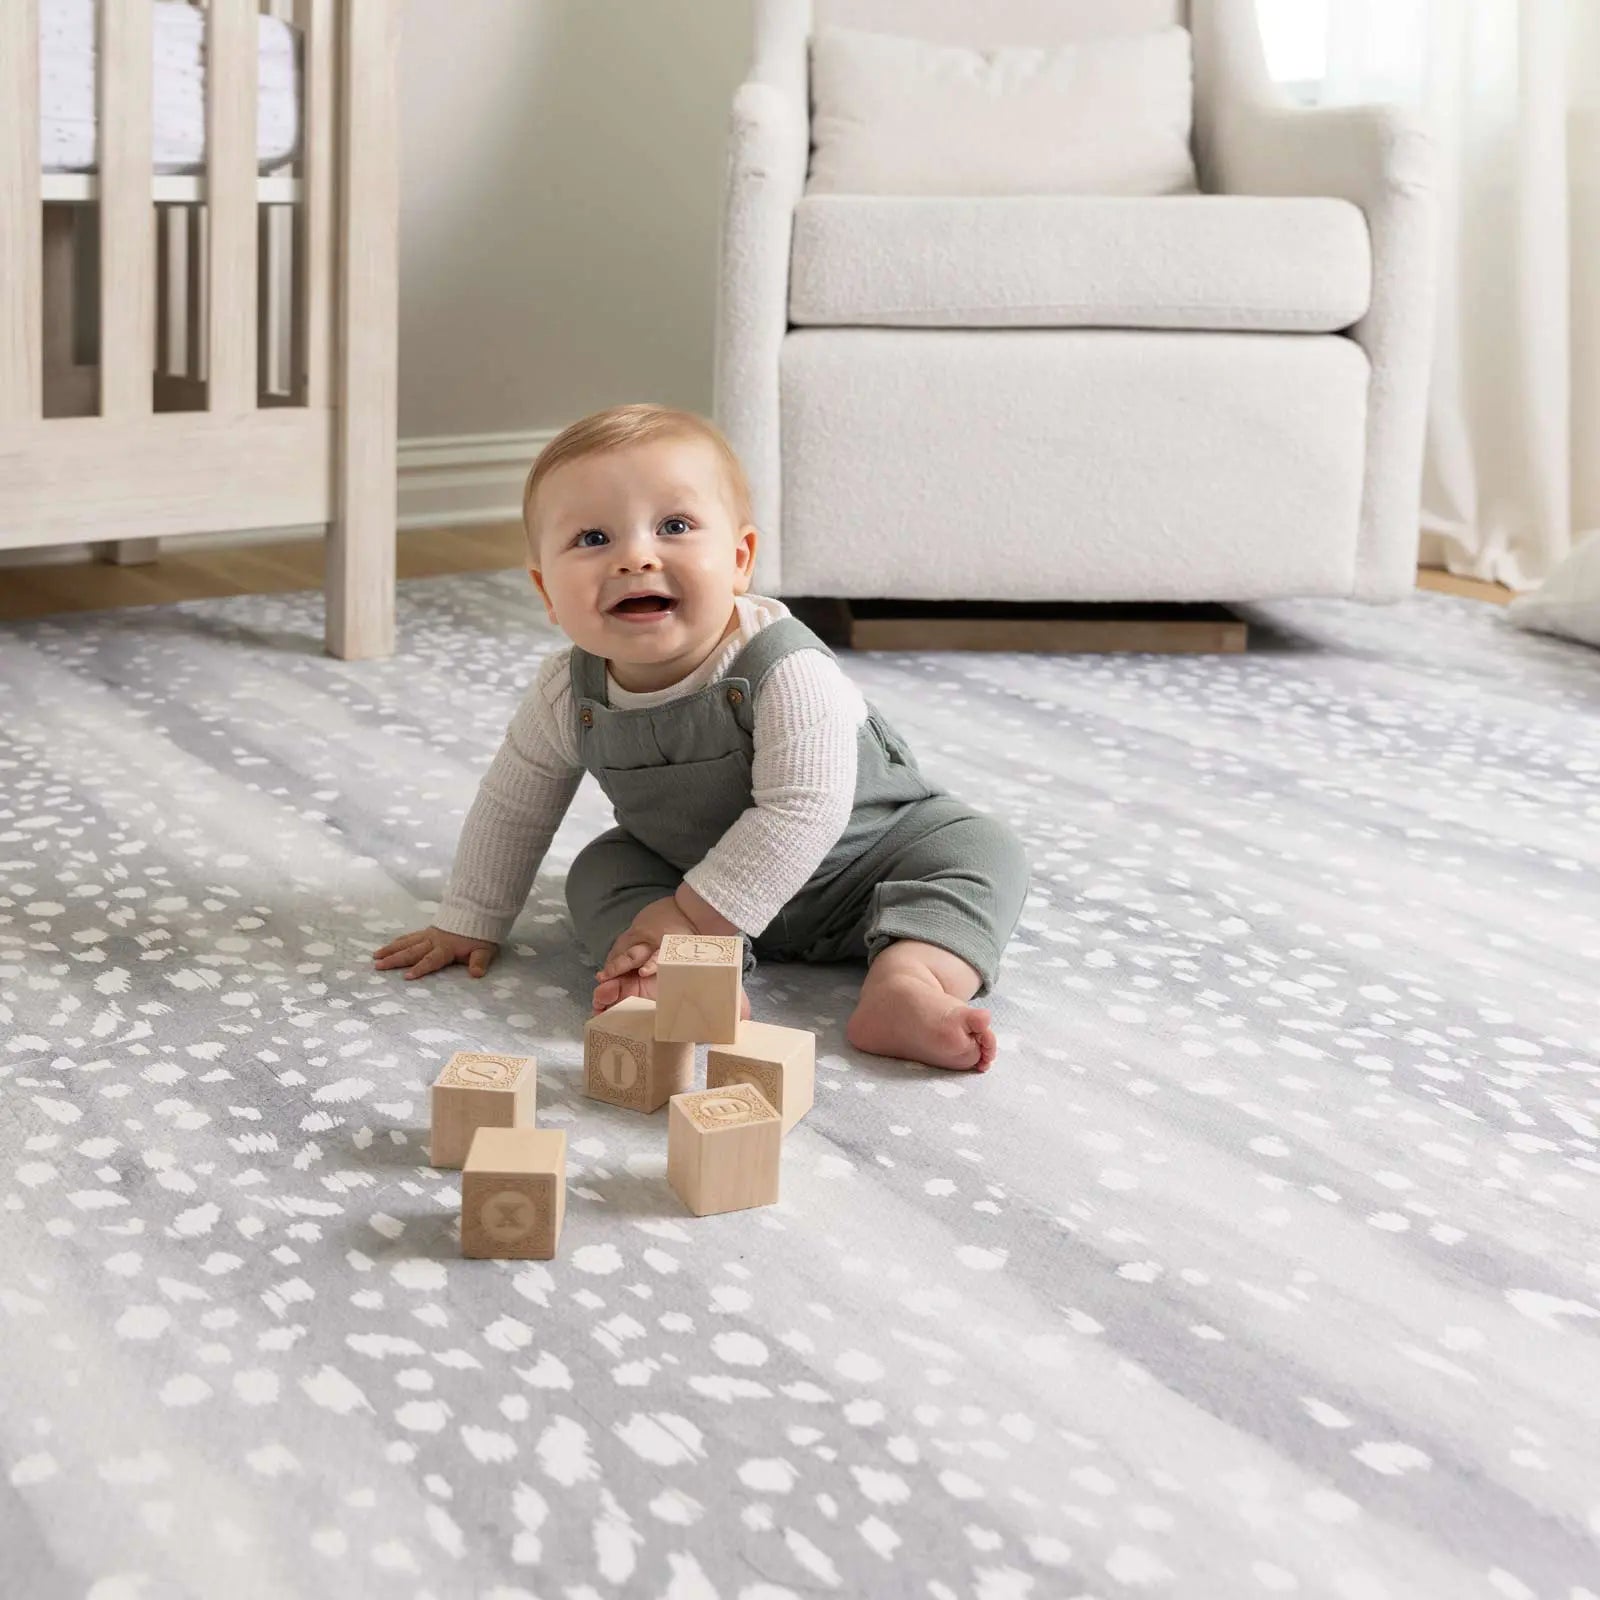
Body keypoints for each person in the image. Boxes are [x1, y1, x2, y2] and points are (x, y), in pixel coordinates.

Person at [373, 404, 1029, 1072]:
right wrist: (469, 918)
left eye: (675, 526)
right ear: (545, 589)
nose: (635, 556)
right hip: (690, 868)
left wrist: (690, 916)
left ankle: (910, 981)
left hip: (864, 867)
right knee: (600, 871)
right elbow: (515, 804)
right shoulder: (567, 691)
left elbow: (804, 809)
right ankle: (685, 978)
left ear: (740, 559)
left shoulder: (788, 670)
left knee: (981, 849)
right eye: (593, 538)